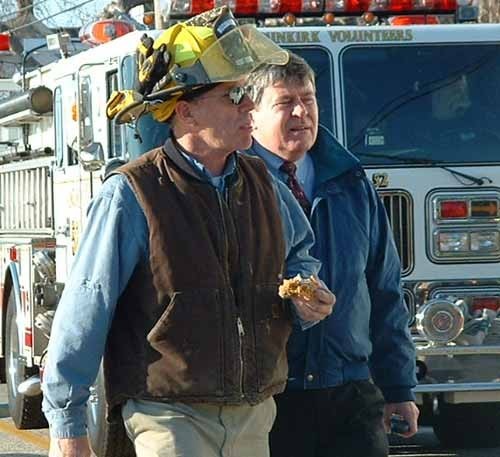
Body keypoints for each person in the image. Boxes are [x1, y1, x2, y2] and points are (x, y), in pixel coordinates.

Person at [42, 10, 335, 457]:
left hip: (253, 414)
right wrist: (69, 425)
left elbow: (300, 261)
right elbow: (85, 311)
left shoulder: (266, 184)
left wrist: (308, 298)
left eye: (247, 93)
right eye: (233, 95)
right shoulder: (131, 194)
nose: (249, 107)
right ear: (185, 110)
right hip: (168, 416)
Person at [245, 52, 419, 457]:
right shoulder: (236, 185)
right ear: (251, 115)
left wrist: (398, 387)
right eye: (285, 102)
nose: (301, 112)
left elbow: (384, 290)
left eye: (308, 99)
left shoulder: (351, 182)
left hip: (351, 392)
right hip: (268, 398)